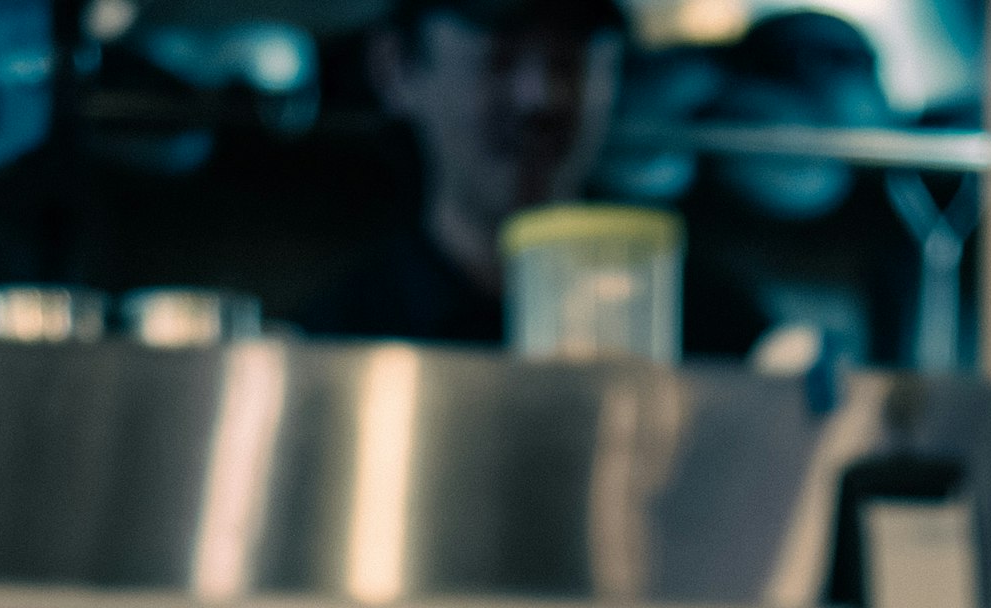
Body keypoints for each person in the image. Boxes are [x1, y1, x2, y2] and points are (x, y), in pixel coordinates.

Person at [298, 0, 764, 357]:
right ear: (395, 67)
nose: (538, 97)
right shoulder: (331, 351)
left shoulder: (710, 332)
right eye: (500, 53)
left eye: (568, 56)